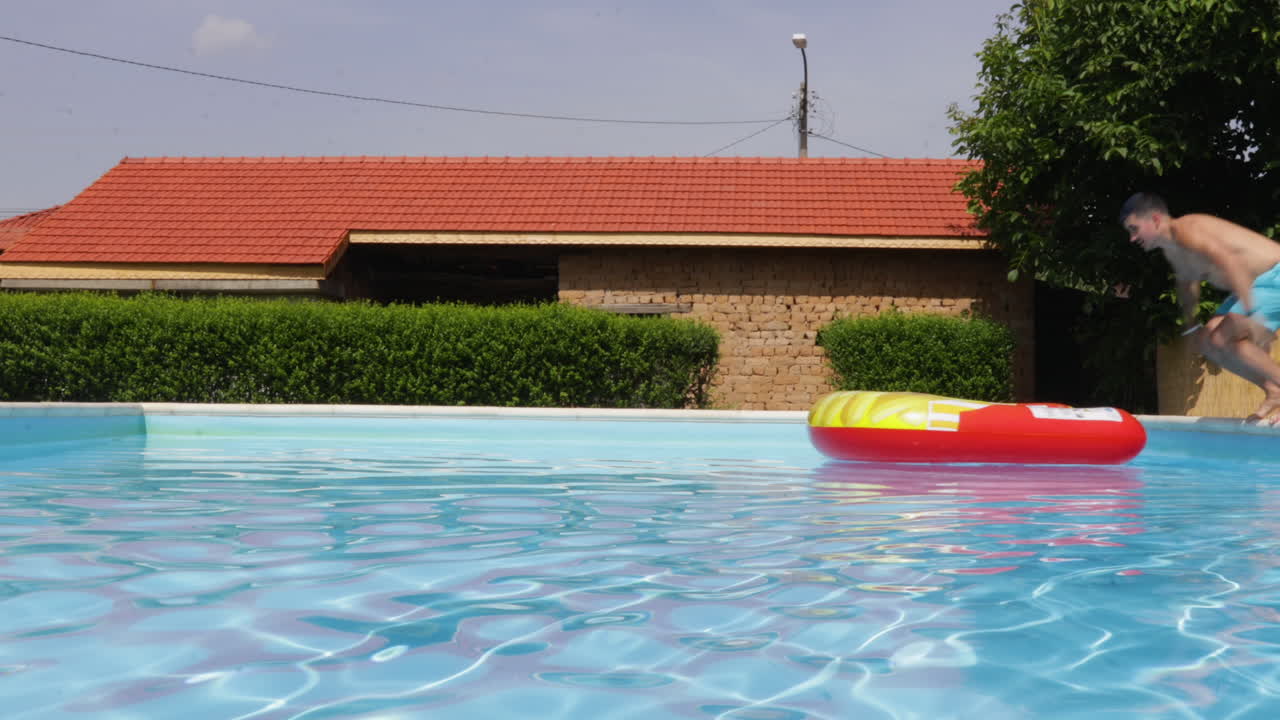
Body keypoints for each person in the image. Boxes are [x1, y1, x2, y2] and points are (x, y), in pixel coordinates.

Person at [1120, 192, 1280, 422]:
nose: (1132, 238)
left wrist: (1252, 311)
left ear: (1155, 219)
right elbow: (1187, 286)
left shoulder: (1187, 229)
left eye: (1134, 229)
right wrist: (1191, 328)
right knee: (1208, 340)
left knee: (1225, 337)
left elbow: (1230, 261)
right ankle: (1273, 390)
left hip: (1275, 275)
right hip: (1259, 283)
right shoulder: (1175, 248)